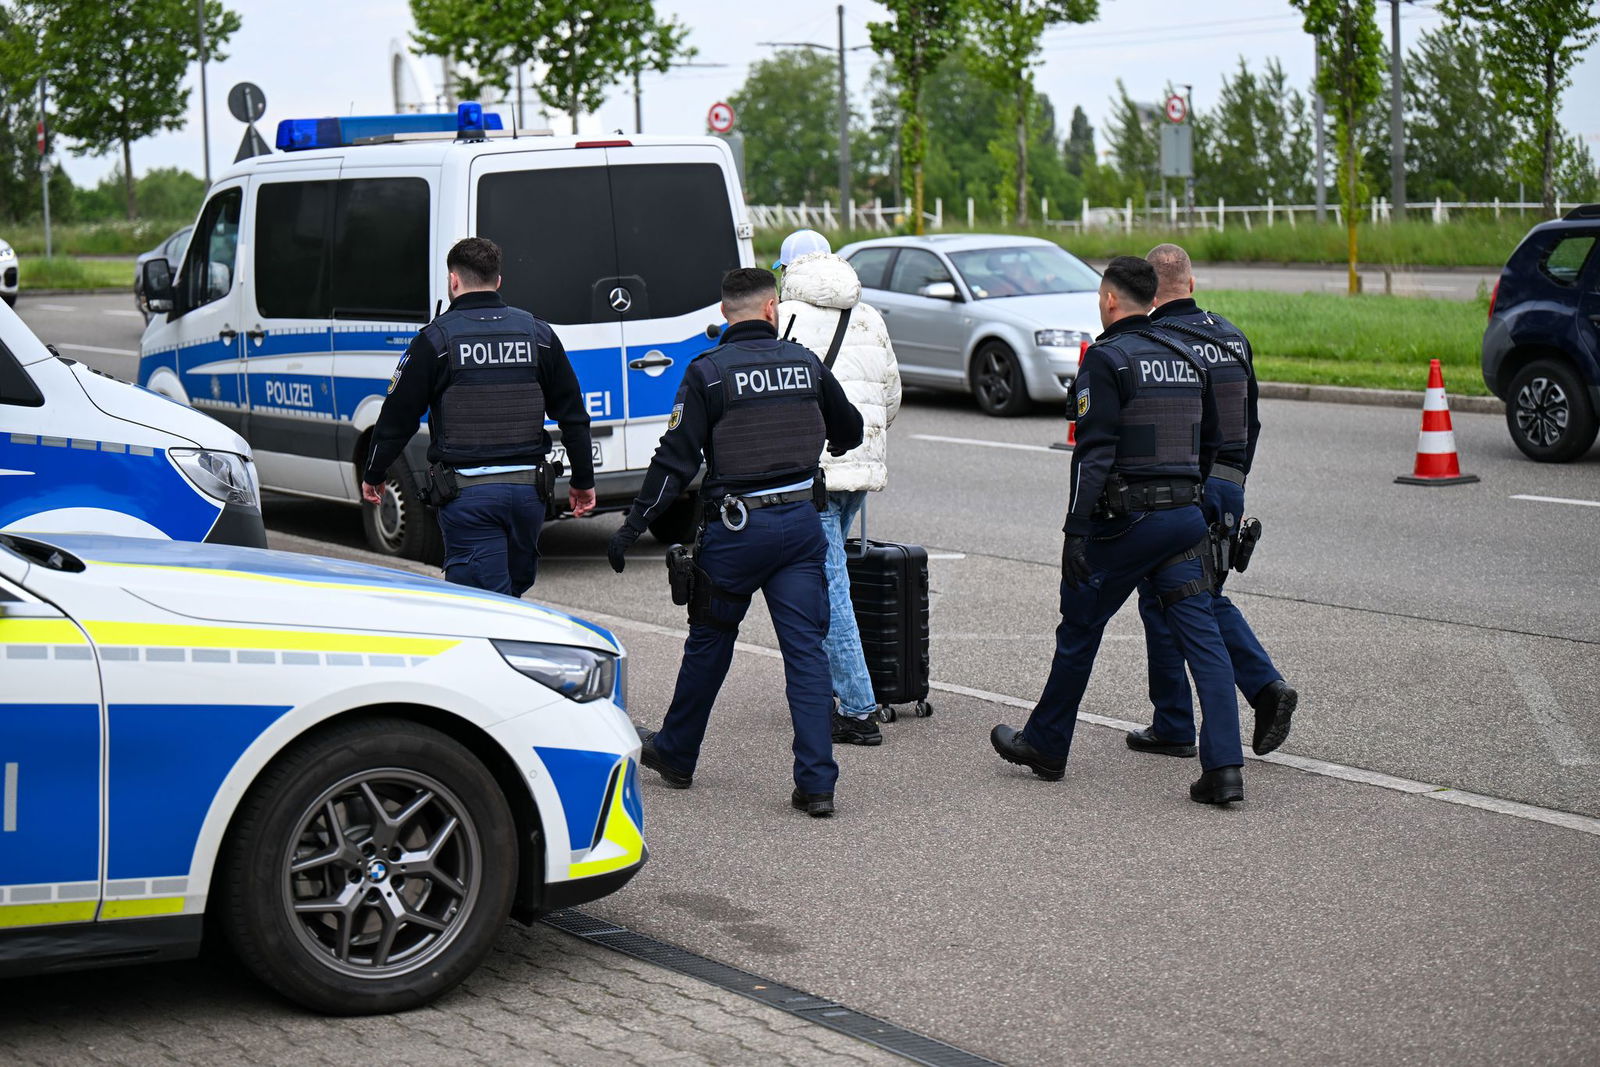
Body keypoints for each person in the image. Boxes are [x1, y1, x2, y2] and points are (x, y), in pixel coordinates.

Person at [989, 255, 1247, 805]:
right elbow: (1215, 441)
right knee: (1203, 641)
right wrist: (1190, 498)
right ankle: (1225, 768)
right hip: (1184, 521)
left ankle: (1047, 744)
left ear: (1109, 299)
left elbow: (1094, 454)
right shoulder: (1187, 355)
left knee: (1080, 627)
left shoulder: (1108, 358)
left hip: (1128, 522)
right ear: (1153, 298)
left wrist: (1076, 531)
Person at [607, 267, 864, 817]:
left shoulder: (709, 372)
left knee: (710, 641)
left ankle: (677, 754)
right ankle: (817, 783)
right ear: (772, 308)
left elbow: (675, 460)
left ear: (725, 313)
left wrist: (633, 525)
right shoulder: (805, 364)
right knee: (805, 652)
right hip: (800, 526)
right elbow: (850, 431)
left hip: (737, 532)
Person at [1129, 243, 1297, 760]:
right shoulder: (1232, 336)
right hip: (1229, 485)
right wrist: (1235, 481)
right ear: (1192, 283)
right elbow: (1252, 420)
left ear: (1149, 292)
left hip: (1183, 486)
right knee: (1198, 594)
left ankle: (1188, 719)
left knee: (1171, 596)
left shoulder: (1157, 341)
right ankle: (1239, 698)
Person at [363, 237, 596, 596]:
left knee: (482, 604)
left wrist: (375, 473)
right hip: (528, 495)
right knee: (511, 596)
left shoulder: (435, 340)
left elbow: (397, 418)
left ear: (453, 280)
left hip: (469, 498)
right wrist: (583, 479)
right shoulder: (538, 335)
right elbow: (573, 416)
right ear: (498, 281)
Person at [775, 231, 902, 747]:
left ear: (787, 270)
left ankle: (857, 708)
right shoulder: (868, 315)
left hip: (814, 470)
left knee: (830, 588)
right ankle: (834, 689)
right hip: (860, 466)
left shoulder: (785, 318)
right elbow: (891, 397)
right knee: (830, 579)